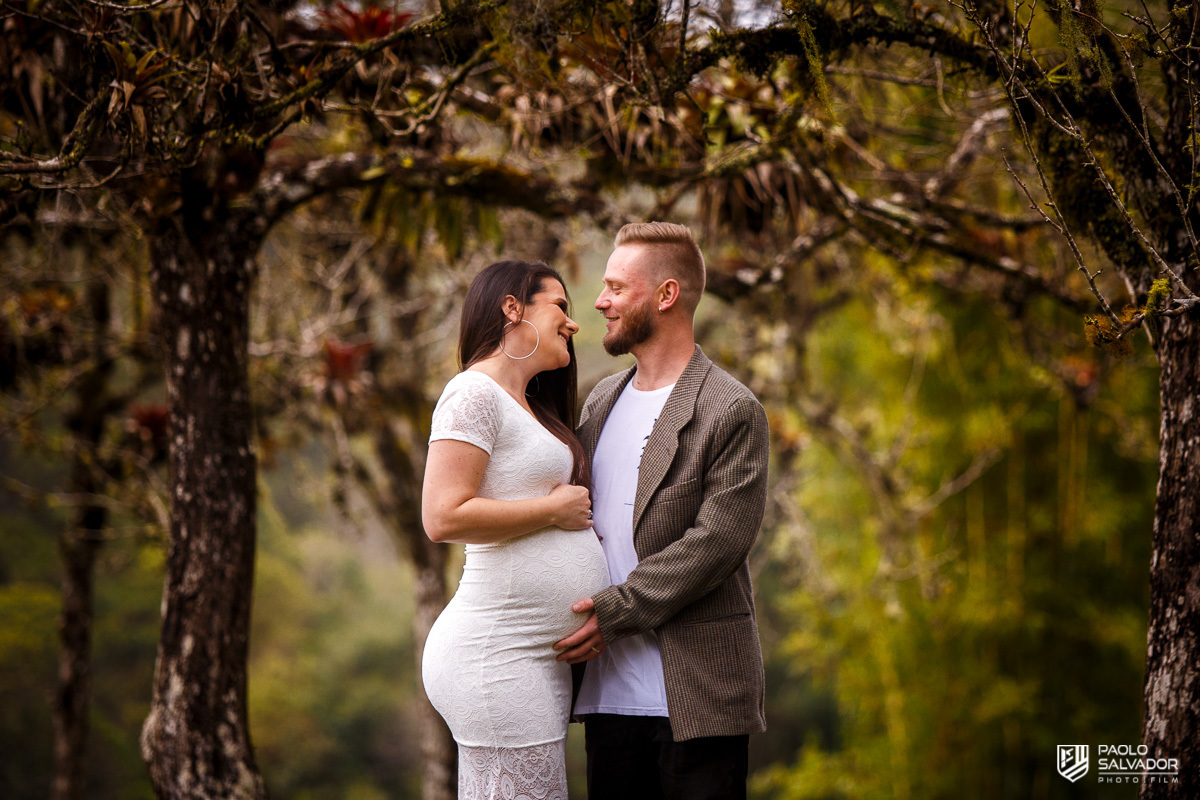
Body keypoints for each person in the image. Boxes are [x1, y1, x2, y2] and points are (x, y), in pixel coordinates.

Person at [553, 222, 771, 800]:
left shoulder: (732, 409)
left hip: (698, 699)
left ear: (666, 295)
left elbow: (717, 543)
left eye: (616, 288)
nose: (600, 302)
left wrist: (615, 612)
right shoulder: (601, 400)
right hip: (606, 699)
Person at [420, 259, 610, 800]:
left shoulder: (526, 405)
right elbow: (442, 516)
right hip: (496, 653)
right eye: (560, 306)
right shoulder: (472, 393)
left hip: (533, 658)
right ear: (512, 308)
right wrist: (551, 511)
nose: (573, 322)